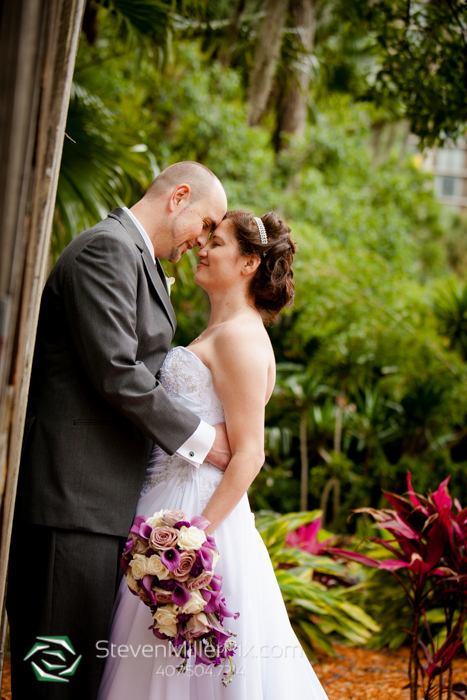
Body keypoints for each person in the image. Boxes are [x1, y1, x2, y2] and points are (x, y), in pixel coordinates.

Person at [7, 162, 232, 700]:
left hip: (101, 507)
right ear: (179, 196)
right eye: (205, 224)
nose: (202, 243)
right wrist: (204, 441)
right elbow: (117, 370)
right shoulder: (105, 249)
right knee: (53, 678)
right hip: (69, 505)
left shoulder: (139, 261)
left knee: (82, 678)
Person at [98, 211, 329, 699]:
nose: (202, 248)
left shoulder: (242, 337)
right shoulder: (217, 332)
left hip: (200, 519)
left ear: (248, 262)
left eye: (216, 243)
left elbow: (249, 454)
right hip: (165, 500)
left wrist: (194, 536)